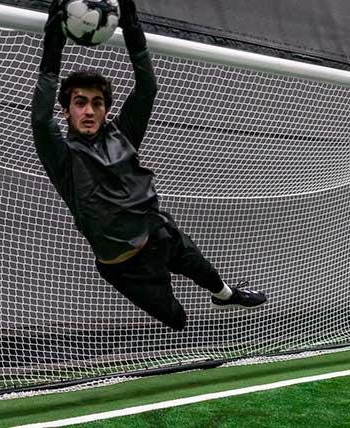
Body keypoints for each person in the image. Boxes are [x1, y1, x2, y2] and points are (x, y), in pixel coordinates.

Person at [30, 0, 266, 331]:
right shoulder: (62, 156)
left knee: (203, 270)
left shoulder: (122, 133)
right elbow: (40, 119)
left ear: (106, 111)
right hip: (125, 267)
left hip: (157, 231)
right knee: (179, 321)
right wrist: (52, 48)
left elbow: (147, 87)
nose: (88, 110)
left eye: (96, 103)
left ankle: (225, 294)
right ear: (67, 111)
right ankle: (203, 304)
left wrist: (132, 26)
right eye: (79, 103)